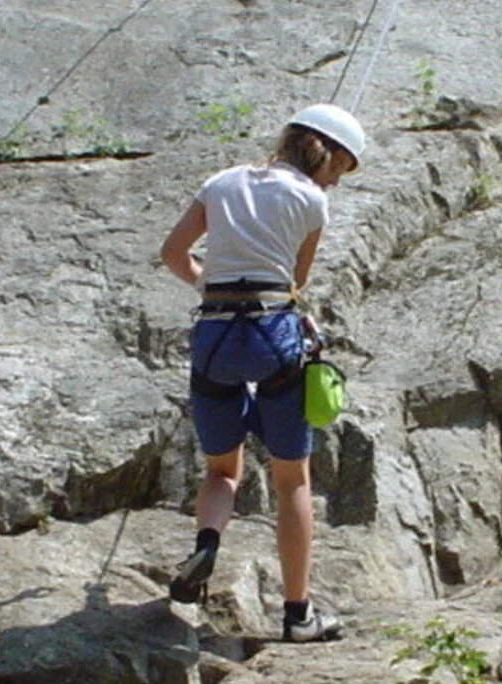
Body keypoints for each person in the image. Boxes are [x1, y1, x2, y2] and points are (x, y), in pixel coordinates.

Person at [158, 103, 365, 643]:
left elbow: (173, 253)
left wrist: (211, 284)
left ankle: (207, 543)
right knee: (291, 476)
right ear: (330, 157)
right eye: (340, 170)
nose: (337, 183)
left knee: (222, 469)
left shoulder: (221, 183)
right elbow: (294, 283)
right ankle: (298, 616)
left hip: (215, 337)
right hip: (273, 337)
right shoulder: (312, 201)